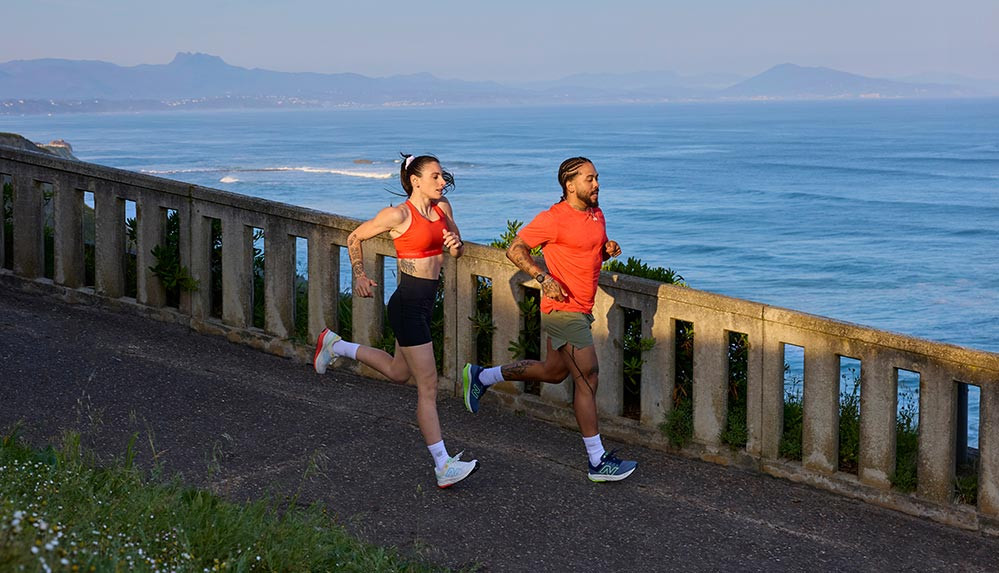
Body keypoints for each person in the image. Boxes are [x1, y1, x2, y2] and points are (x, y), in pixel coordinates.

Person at [462, 157, 637, 482]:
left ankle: (482, 376)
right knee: (588, 376)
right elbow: (515, 249)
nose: (597, 184)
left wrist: (606, 249)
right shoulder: (553, 219)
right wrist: (543, 277)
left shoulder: (596, 214)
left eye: (597, 178)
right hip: (562, 309)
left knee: (554, 372)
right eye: (589, 179)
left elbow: (588, 251)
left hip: (582, 308)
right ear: (569, 185)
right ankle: (597, 461)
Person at [313, 154, 478, 489]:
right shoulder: (398, 215)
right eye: (435, 176)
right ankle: (442, 464)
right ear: (416, 181)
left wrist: (455, 245)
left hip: (425, 304)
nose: (442, 182)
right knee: (428, 386)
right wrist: (360, 275)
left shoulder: (443, 209)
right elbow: (355, 237)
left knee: (398, 372)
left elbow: (457, 250)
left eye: (442, 176)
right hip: (407, 306)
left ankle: (335, 345)